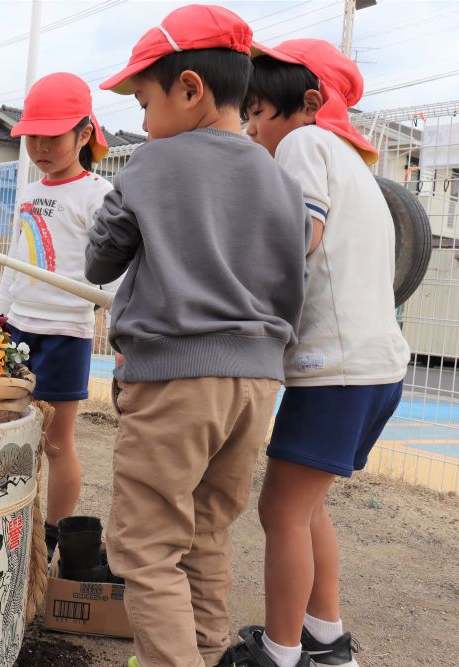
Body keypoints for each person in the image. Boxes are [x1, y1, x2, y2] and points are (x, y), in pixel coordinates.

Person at [83, 6, 312, 666]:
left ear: (190, 88)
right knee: (206, 532)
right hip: (256, 382)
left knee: (147, 547)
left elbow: (101, 260)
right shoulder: (281, 177)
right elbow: (292, 279)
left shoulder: (151, 167)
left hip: (176, 379)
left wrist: (127, 197)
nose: (145, 123)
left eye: (146, 102)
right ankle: (208, 654)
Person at [232, 38, 410, 667]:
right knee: (305, 508)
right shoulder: (356, 168)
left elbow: (296, 239)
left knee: (279, 508)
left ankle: (279, 656)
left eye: (257, 113)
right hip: (374, 368)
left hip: (332, 370)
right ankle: (327, 641)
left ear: (307, 104)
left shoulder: (305, 143)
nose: (251, 128)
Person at [0, 72, 117, 558]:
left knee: (58, 442)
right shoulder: (27, 191)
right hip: (19, 328)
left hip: (66, 332)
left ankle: (52, 533)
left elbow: (114, 271)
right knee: (16, 433)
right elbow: (15, 262)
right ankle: (11, 519)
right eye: (32, 137)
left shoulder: (98, 193)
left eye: (53, 135)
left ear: (84, 134)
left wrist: (118, 327)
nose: (40, 146)